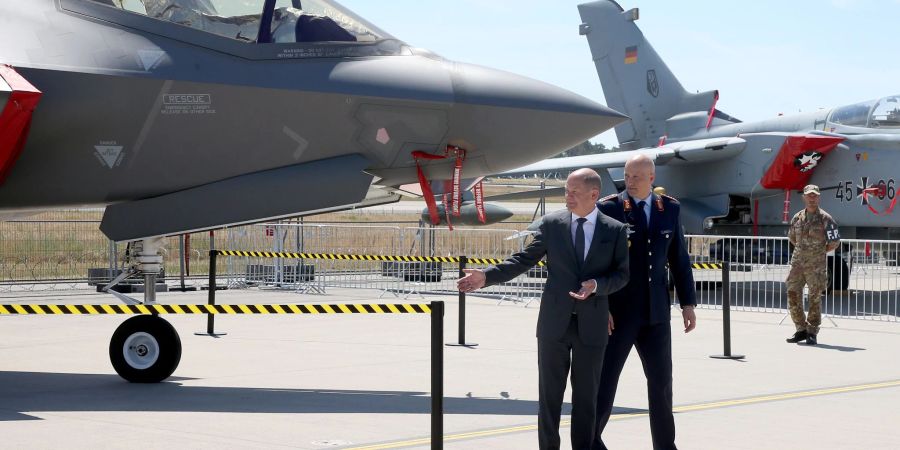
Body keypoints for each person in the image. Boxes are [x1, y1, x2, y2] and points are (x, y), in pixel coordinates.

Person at [458, 168, 629, 450]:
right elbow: (522, 260)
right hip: (554, 325)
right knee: (549, 399)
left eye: (574, 192)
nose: (568, 197)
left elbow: (622, 275)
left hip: (592, 326)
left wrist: (597, 285)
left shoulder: (614, 230)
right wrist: (486, 276)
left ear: (593, 194)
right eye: (566, 191)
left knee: (587, 400)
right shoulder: (552, 224)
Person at [593, 155, 696, 450]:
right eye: (627, 176)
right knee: (605, 382)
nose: (631, 182)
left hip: (656, 314)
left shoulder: (669, 208)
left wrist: (687, 303)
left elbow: (679, 258)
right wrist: (603, 306)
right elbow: (597, 262)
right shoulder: (609, 208)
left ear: (652, 178)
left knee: (662, 385)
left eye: (637, 177)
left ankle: (665, 446)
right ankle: (590, 441)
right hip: (620, 312)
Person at [785, 184, 840, 346]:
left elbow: (834, 242)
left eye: (815, 195)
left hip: (816, 265)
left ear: (819, 197)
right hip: (798, 263)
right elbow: (792, 238)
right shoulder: (797, 217)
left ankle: (812, 332)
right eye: (809, 195)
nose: (812, 197)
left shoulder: (826, 219)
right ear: (804, 197)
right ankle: (801, 329)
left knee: (814, 297)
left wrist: (818, 252)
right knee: (792, 293)